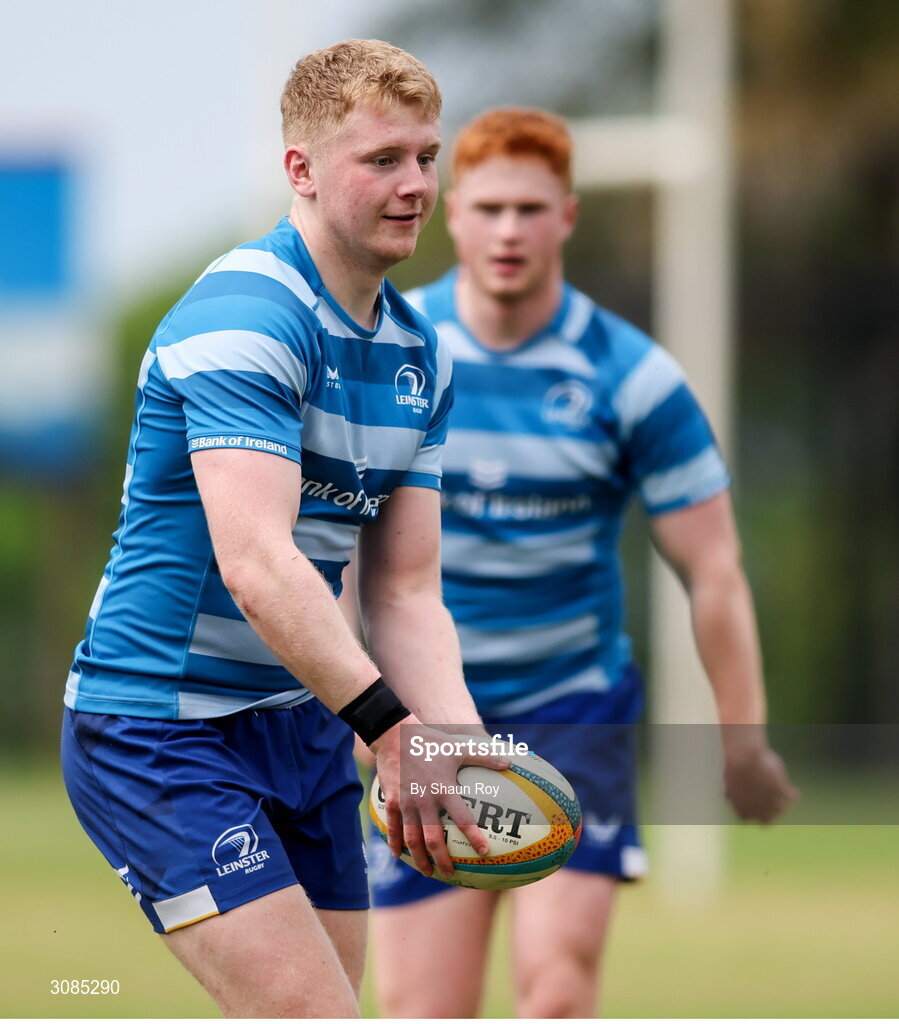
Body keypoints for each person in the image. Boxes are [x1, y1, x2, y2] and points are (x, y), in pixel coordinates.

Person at [60, 40, 509, 1019]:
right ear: (299, 171)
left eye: (426, 158)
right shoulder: (244, 315)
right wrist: (391, 732)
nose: (415, 186)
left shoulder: (416, 352)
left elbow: (402, 594)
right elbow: (256, 563)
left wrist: (456, 751)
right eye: (381, 160)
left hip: (301, 723)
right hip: (157, 728)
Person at [366, 107, 800, 1019]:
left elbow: (713, 571)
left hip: (574, 704)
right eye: (488, 209)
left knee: (558, 986)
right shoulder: (392, 352)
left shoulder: (631, 377)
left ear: (566, 216)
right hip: (427, 713)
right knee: (420, 1008)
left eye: (530, 209)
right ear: (454, 214)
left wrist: (744, 737)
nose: (509, 231)